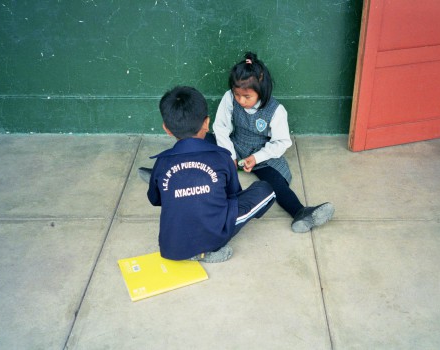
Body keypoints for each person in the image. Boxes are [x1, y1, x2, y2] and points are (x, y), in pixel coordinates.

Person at [139, 86, 276, 263]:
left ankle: (173, 189)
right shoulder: (222, 157)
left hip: (171, 245)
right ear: (206, 122)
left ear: (167, 128)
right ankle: (206, 251)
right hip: (215, 235)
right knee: (265, 190)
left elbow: (155, 200)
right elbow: (232, 195)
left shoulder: (161, 163)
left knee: (177, 200)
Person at [212, 52, 334, 233]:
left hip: (263, 155)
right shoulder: (229, 97)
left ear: (261, 89)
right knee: (200, 143)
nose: (240, 100)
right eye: (237, 94)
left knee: (276, 183)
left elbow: (282, 142)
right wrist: (229, 156)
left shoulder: (276, 111)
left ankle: (300, 213)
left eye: (246, 96)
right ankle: (163, 169)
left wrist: (257, 157)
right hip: (235, 146)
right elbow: (221, 127)